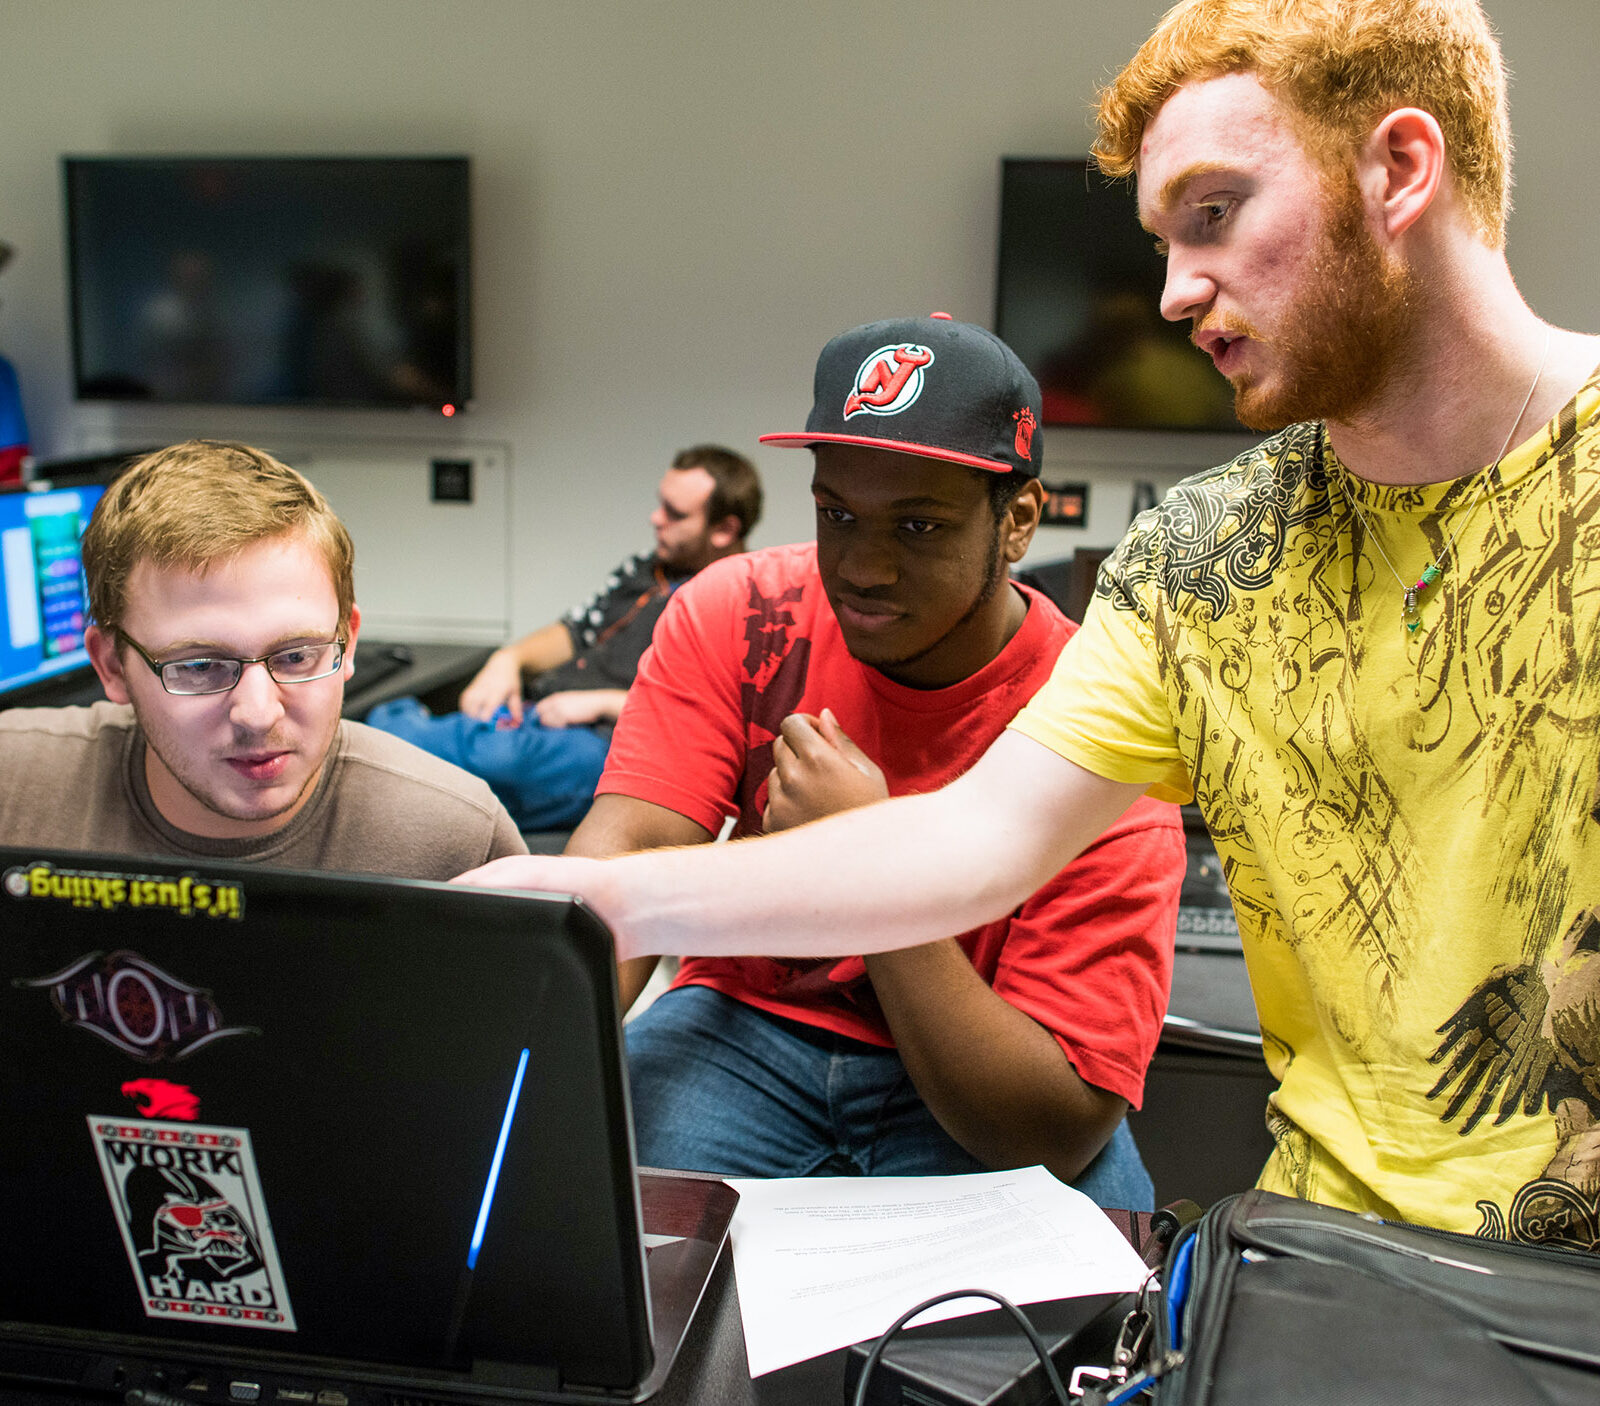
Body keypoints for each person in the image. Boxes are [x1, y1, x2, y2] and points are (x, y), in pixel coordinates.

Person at [462, 0, 1600, 1246]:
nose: (1172, 292)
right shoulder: (1198, 561)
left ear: (1397, 169)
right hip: (1325, 1249)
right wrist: (598, 897)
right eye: (1163, 240)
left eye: (1213, 214)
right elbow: (971, 842)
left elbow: (1048, 1114)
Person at [564, 314, 1184, 1205]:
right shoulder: (739, 613)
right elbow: (619, 862)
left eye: (919, 527)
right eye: (837, 514)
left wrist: (869, 859)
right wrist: (517, 1066)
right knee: (567, 1200)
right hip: (748, 1032)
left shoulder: (1098, 713)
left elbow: (1047, 1127)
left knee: (1084, 1293)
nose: (862, 566)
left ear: (1016, 522)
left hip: (976, 1071)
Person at [0, 439, 526, 876]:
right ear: (111, 666)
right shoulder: (13, 788)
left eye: (297, 656)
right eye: (200, 666)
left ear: (349, 642)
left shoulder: (458, 841)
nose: (258, 714)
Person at [367, 446, 761, 831]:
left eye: (675, 515)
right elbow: (575, 631)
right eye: (661, 505)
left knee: (497, 759)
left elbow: (715, 719)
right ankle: (393, 736)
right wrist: (509, 659)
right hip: (545, 714)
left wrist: (602, 703)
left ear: (724, 529)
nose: (655, 518)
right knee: (479, 743)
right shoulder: (645, 569)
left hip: (610, 744)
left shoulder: (738, 601)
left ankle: (389, 732)